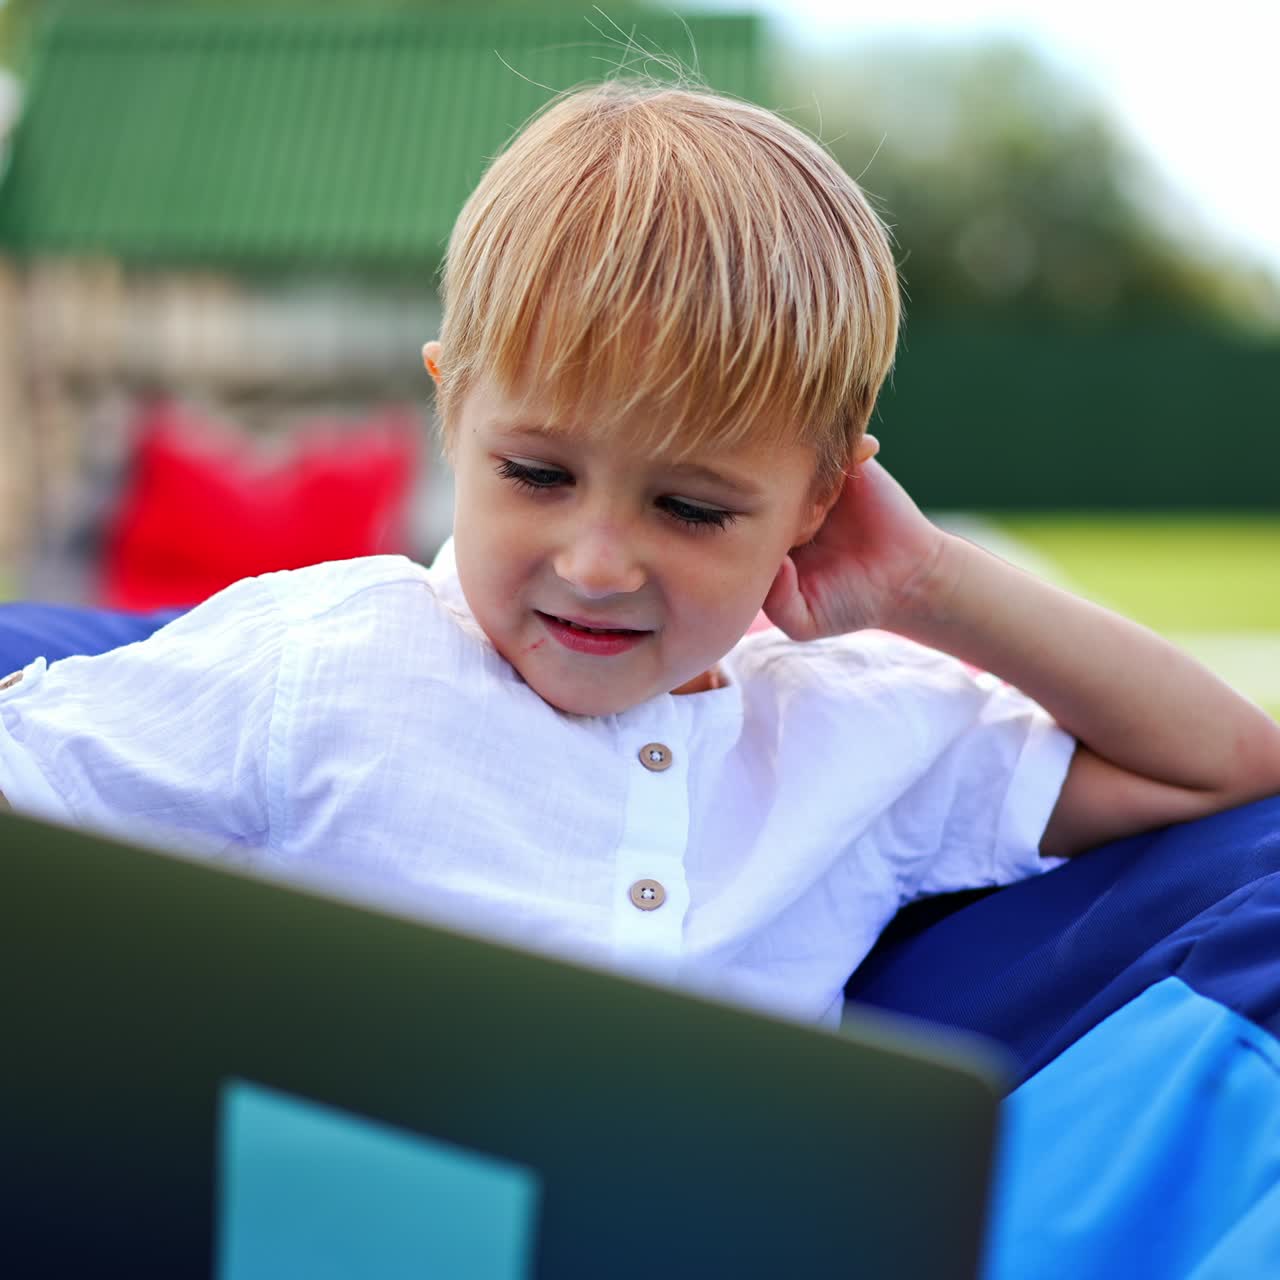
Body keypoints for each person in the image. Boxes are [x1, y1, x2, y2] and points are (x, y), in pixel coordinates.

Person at [2, 81, 1278, 1024]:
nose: (599, 561)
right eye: (538, 474)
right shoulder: (323, 665)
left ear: (817, 501)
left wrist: (928, 581)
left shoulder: (858, 730)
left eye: (692, 508)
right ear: (453, 413)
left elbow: (1224, 764)